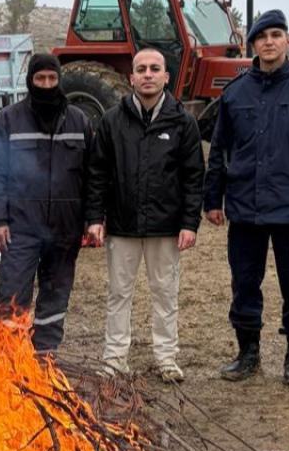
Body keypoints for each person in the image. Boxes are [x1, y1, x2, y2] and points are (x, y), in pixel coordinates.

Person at [204, 10, 289, 385]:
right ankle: (247, 354)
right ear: (253, 45)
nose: (269, 42)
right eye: (262, 37)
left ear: (287, 41)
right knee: (244, 283)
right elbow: (219, 150)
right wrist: (213, 199)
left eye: (276, 35)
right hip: (246, 207)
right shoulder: (235, 93)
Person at [85, 48, 204, 382]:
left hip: (165, 228)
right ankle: (114, 359)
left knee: (165, 293)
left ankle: (166, 358)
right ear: (131, 78)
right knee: (118, 294)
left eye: (155, 69)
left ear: (166, 77)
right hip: (122, 226)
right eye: (142, 69)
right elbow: (97, 173)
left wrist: (189, 223)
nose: (148, 74)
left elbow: (194, 177)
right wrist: (95, 217)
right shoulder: (111, 121)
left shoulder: (183, 123)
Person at [0, 53, 91, 356]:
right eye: (39, 78)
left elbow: (93, 174)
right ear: (30, 80)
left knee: (56, 293)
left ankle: (45, 354)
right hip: (20, 227)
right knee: (13, 295)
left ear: (59, 80)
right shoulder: (9, 119)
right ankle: (9, 356)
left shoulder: (78, 120)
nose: (46, 84)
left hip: (65, 227)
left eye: (51, 79)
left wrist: (92, 217)